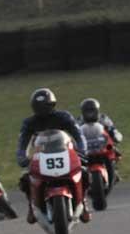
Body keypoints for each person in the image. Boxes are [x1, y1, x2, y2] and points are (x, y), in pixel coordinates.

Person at [16, 88, 90, 224]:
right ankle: (32, 206)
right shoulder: (29, 123)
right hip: (41, 156)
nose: (42, 110)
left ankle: (83, 202)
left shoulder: (64, 117)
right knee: (25, 178)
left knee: (84, 172)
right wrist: (21, 156)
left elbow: (78, 134)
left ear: (52, 104)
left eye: (45, 106)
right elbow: (22, 142)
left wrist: (82, 150)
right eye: (38, 107)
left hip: (65, 152)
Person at [78, 98, 123, 182]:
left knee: (115, 152)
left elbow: (112, 128)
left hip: (101, 143)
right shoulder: (79, 120)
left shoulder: (103, 118)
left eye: (92, 111)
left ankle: (113, 170)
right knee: (77, 158)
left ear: (97, 110)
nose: (90, 114)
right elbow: (73, 131)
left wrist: (116, 135)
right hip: (86, 145)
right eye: (87, 111)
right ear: (83, 112)